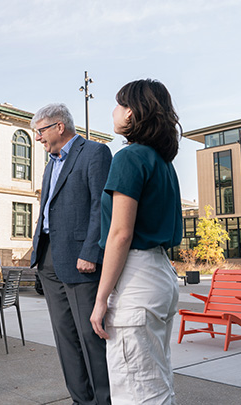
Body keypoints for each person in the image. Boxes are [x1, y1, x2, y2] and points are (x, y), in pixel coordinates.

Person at [90, 79, 183, 404]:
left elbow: (120, 233)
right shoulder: (163, 163)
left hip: (136, 278)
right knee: (155, 383)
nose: (114, 110)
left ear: (133, 113)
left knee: (136, 391)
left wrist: (101, 299)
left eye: (119, 104)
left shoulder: (129, 158)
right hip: (160, 275)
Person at [30, 103, 112, 405]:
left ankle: (104, 400)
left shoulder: (94, 153)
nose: (38, 138)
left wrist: (91, 251)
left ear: (59, 127)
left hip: (81, 259)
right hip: (49, 256)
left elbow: (100, 207)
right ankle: (81, 400)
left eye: (40, 131)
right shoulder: (51, 163)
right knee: (65, 337)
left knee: (90, 336)